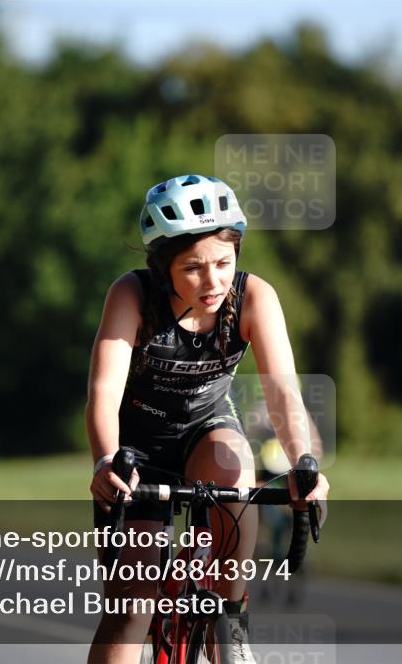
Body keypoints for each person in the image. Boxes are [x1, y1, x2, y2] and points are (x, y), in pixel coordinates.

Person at [86, 175, 330, 664]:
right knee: (133, 606)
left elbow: (283, 391)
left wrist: (302, 461)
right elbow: (104, 390)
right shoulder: (132, 295)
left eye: (223, 262)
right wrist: (106, 460)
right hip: (139, 446)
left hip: (206, 428)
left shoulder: (253, 297)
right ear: (162, 267)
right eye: (193, 268)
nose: (213, 281)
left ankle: (231, 614)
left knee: (233, 464)